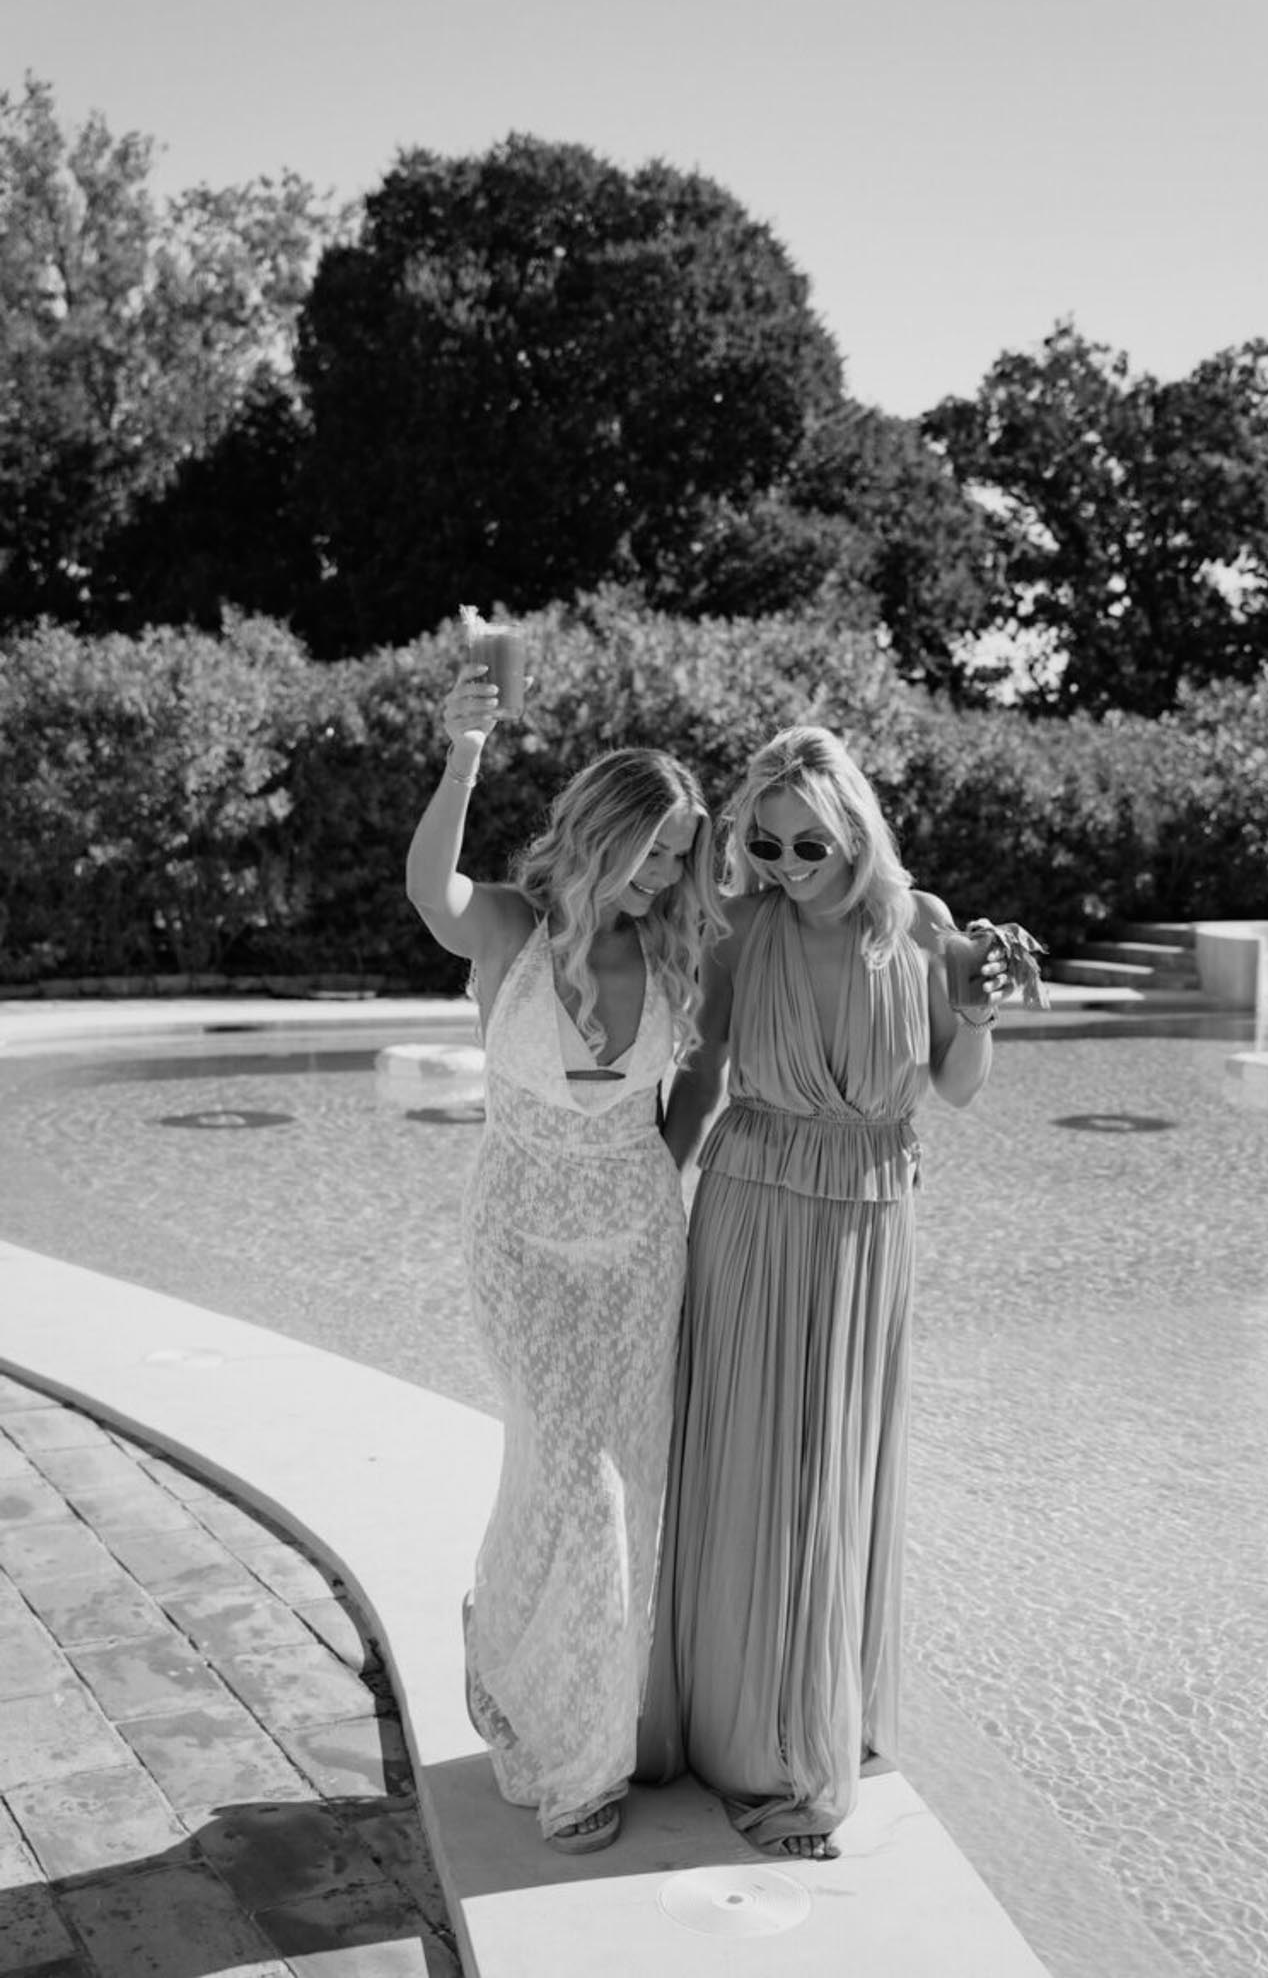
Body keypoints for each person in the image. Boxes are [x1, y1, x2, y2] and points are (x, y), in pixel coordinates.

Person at [637, 724, 1007, 1859]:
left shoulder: (924, 926)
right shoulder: (741, 927)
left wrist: (979, 1013)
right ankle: (754, 1741)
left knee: (836, 1464)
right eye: (764, 843)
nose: (786, 865)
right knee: (755, 1462)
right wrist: (643, 1201)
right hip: (750, 1205)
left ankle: (815, 1715)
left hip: (872, 1213)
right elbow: (700, 1075)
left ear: (855, 833)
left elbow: (956, 1085)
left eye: (808, 845)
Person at [406, 663, 723, 1856]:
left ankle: (570, 1718)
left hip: (637, 1243)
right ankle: (554, 1735)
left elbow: (700, 1086)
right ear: (602, 830)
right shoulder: (508, 929)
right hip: (522, 1237)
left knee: (623, 1480)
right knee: (567, 1469)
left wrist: (646, 1183)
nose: (664, 875)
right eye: (652, 851)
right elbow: (430, 890)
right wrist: (463, 754)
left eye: (679, 857)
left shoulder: (677, 948)